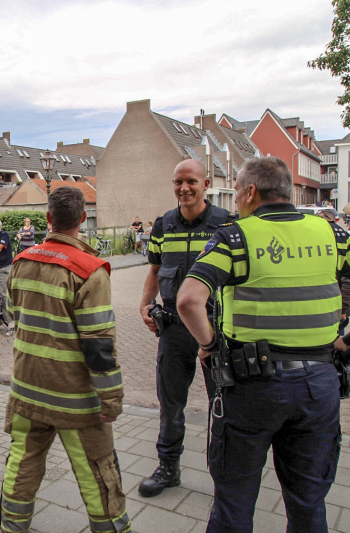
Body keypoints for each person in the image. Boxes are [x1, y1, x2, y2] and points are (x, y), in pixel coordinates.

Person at [177, 156, 350, 533]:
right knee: (307, 503)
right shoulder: (331, 233)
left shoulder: (236, 236)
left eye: (237, 192)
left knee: (234, 502)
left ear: (251, 192)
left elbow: (188, 300)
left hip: (250, 388)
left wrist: (208, 345)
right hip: (318, 387)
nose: (236, 201)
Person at [0, 187, 131, 533]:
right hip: (76, 401)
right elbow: (99, 346)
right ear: (84, 219)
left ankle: (11, 527)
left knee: (22, 466)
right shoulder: (90, 271)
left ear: (47, 219)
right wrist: (112, 399)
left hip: (27, 391)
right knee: (98, 477)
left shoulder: (21, 262)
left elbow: (16, 317)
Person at [137, 159, 234, 497]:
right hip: (175, 329)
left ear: (205, 184)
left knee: (222, 402)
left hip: (217, 331)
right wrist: (145, 304)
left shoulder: (227, 224)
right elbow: (154, 268)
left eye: (190, 181)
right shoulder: (163, 224)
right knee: (171, 401)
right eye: (178, 182)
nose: (184, 188)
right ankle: (168, 468)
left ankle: (225, 474)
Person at [319, 209, 350, 335]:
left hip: (337, 309)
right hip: (323, 307)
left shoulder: (339, 240)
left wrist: (343, 309)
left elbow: (349, 281)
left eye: (320, 218)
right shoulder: (319, 240)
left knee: (336, 341)